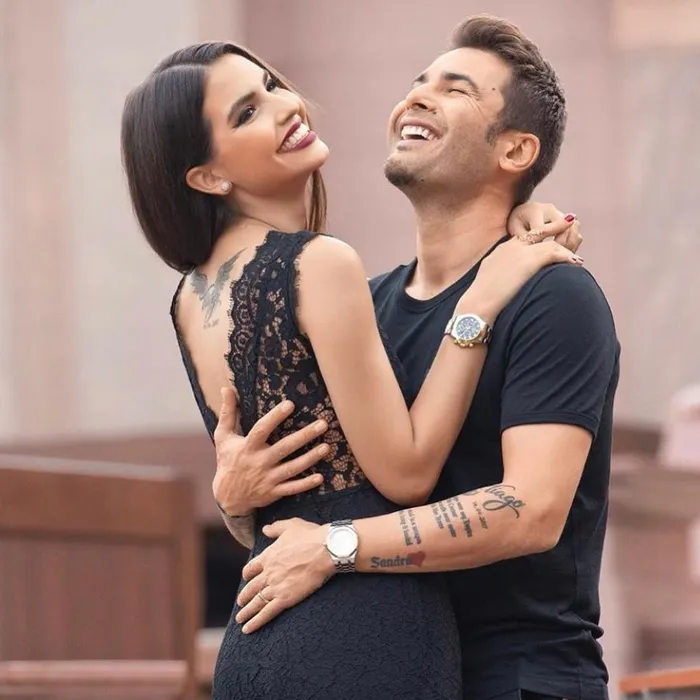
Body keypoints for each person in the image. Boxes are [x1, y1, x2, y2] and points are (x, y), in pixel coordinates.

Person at [120, 23, 583, 700]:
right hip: (360, 633)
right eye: (247, 112)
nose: (286, 105)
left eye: (271, 86)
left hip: (262, 642)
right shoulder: (327, 267)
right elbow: (406, 474)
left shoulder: (190, 296)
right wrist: (482, 299)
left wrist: (237, 505)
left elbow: (284, 489)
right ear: (209, 176)